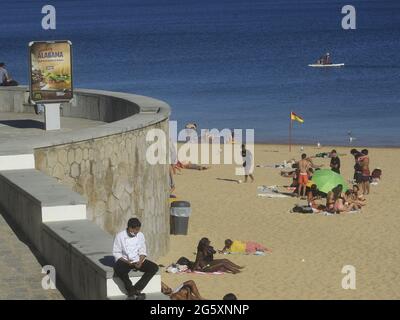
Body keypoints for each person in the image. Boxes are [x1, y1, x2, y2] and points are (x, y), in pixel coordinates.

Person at [113, 218, 159, 300]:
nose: (137, 232)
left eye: (138, 230)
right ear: (130, 228)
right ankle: (130, 289)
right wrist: (127, 262)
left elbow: (142, 250)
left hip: (137, 259)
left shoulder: (140, 235)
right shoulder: (120, 236)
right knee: (119, 270)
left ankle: (136, 289)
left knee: (154, 268)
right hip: (125, 260)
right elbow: (116, 252)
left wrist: (140, 261)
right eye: (135, 230)